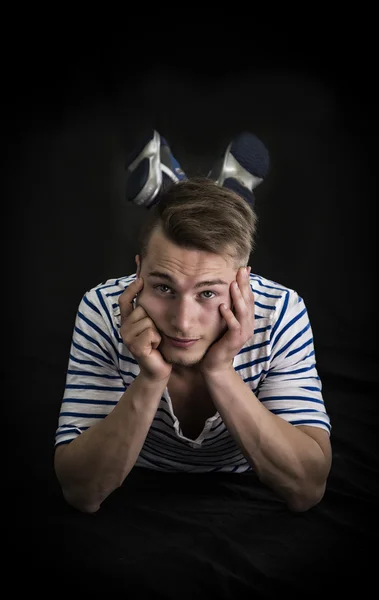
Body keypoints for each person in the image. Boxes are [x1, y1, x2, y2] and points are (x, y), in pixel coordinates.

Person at [54, 130, 332, 515]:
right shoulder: (104, 309)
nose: (183, 323)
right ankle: (223, 195)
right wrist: (150, 379)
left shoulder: (279, 311)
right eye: (164, 288)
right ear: (138, 271)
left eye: (207, 293)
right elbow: (81, 493)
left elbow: (307, 488)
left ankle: (189, 193)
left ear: (242, 283)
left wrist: (220, 371)